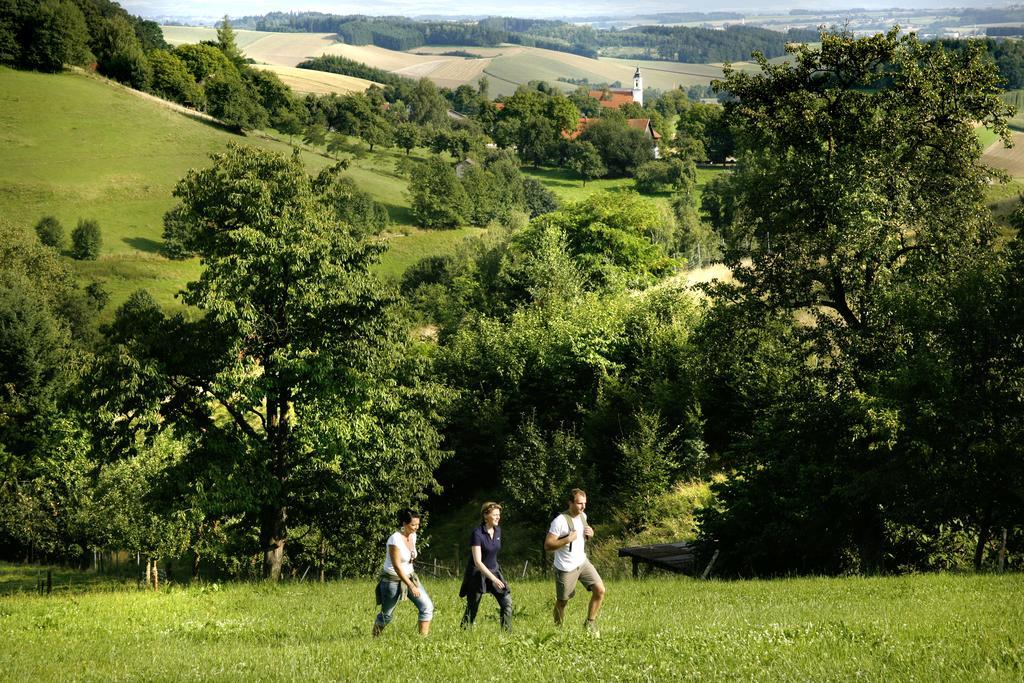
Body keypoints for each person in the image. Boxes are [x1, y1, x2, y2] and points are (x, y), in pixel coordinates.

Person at [544, 488, 606, 634]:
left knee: (600, 590)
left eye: (584, 503)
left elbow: (583, 536)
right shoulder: (559, 521)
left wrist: (591, 534)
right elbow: (547, 545)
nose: (583, 507)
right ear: (570, 502)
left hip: (582, 562)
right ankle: (558, 631)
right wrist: (566, 539)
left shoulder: (583, 516)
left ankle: (590, 623)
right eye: (579, 503)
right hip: (565, 567)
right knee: (562, 602)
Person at [372, 508, 433, 637]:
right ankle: (374, 639)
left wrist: (412, 581)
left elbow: (409, 559)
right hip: (392, 581)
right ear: (404, 524)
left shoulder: (413, 536)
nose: (416, 527)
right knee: (386, 615)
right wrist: (411, 586)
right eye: (413, 525)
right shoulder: (395, 540)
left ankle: (423, 641)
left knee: (427, 607)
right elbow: (397, 567)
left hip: (410, 577)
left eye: (418, 524)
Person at [459, 502, 512, 631]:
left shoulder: (498, 530)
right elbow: (478, 562)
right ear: (485, 515)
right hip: (477, 574)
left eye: (499, 515)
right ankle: (464, 632)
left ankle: (506, 634)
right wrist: (493, 579)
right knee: (473, 607)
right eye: (495, 515)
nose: (498, 517)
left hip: (495, 571)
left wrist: (496, 576)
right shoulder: (477, 534)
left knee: (507, 603)